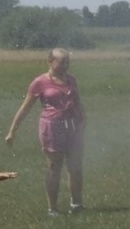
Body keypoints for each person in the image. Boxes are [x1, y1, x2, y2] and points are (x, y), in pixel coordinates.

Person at [5, 48, 86, 216]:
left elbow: (77, 102)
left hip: (72, 127)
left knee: (75, 166)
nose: (65, 65)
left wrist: (83, 120)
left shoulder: (71, 80)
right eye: (61, 62)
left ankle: (76, 204)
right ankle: (53, 208)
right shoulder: (40, 82)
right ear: (50, 61)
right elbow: (25, 108)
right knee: (54, 167)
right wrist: (12, 130)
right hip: (52, 128)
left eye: (67, 62)